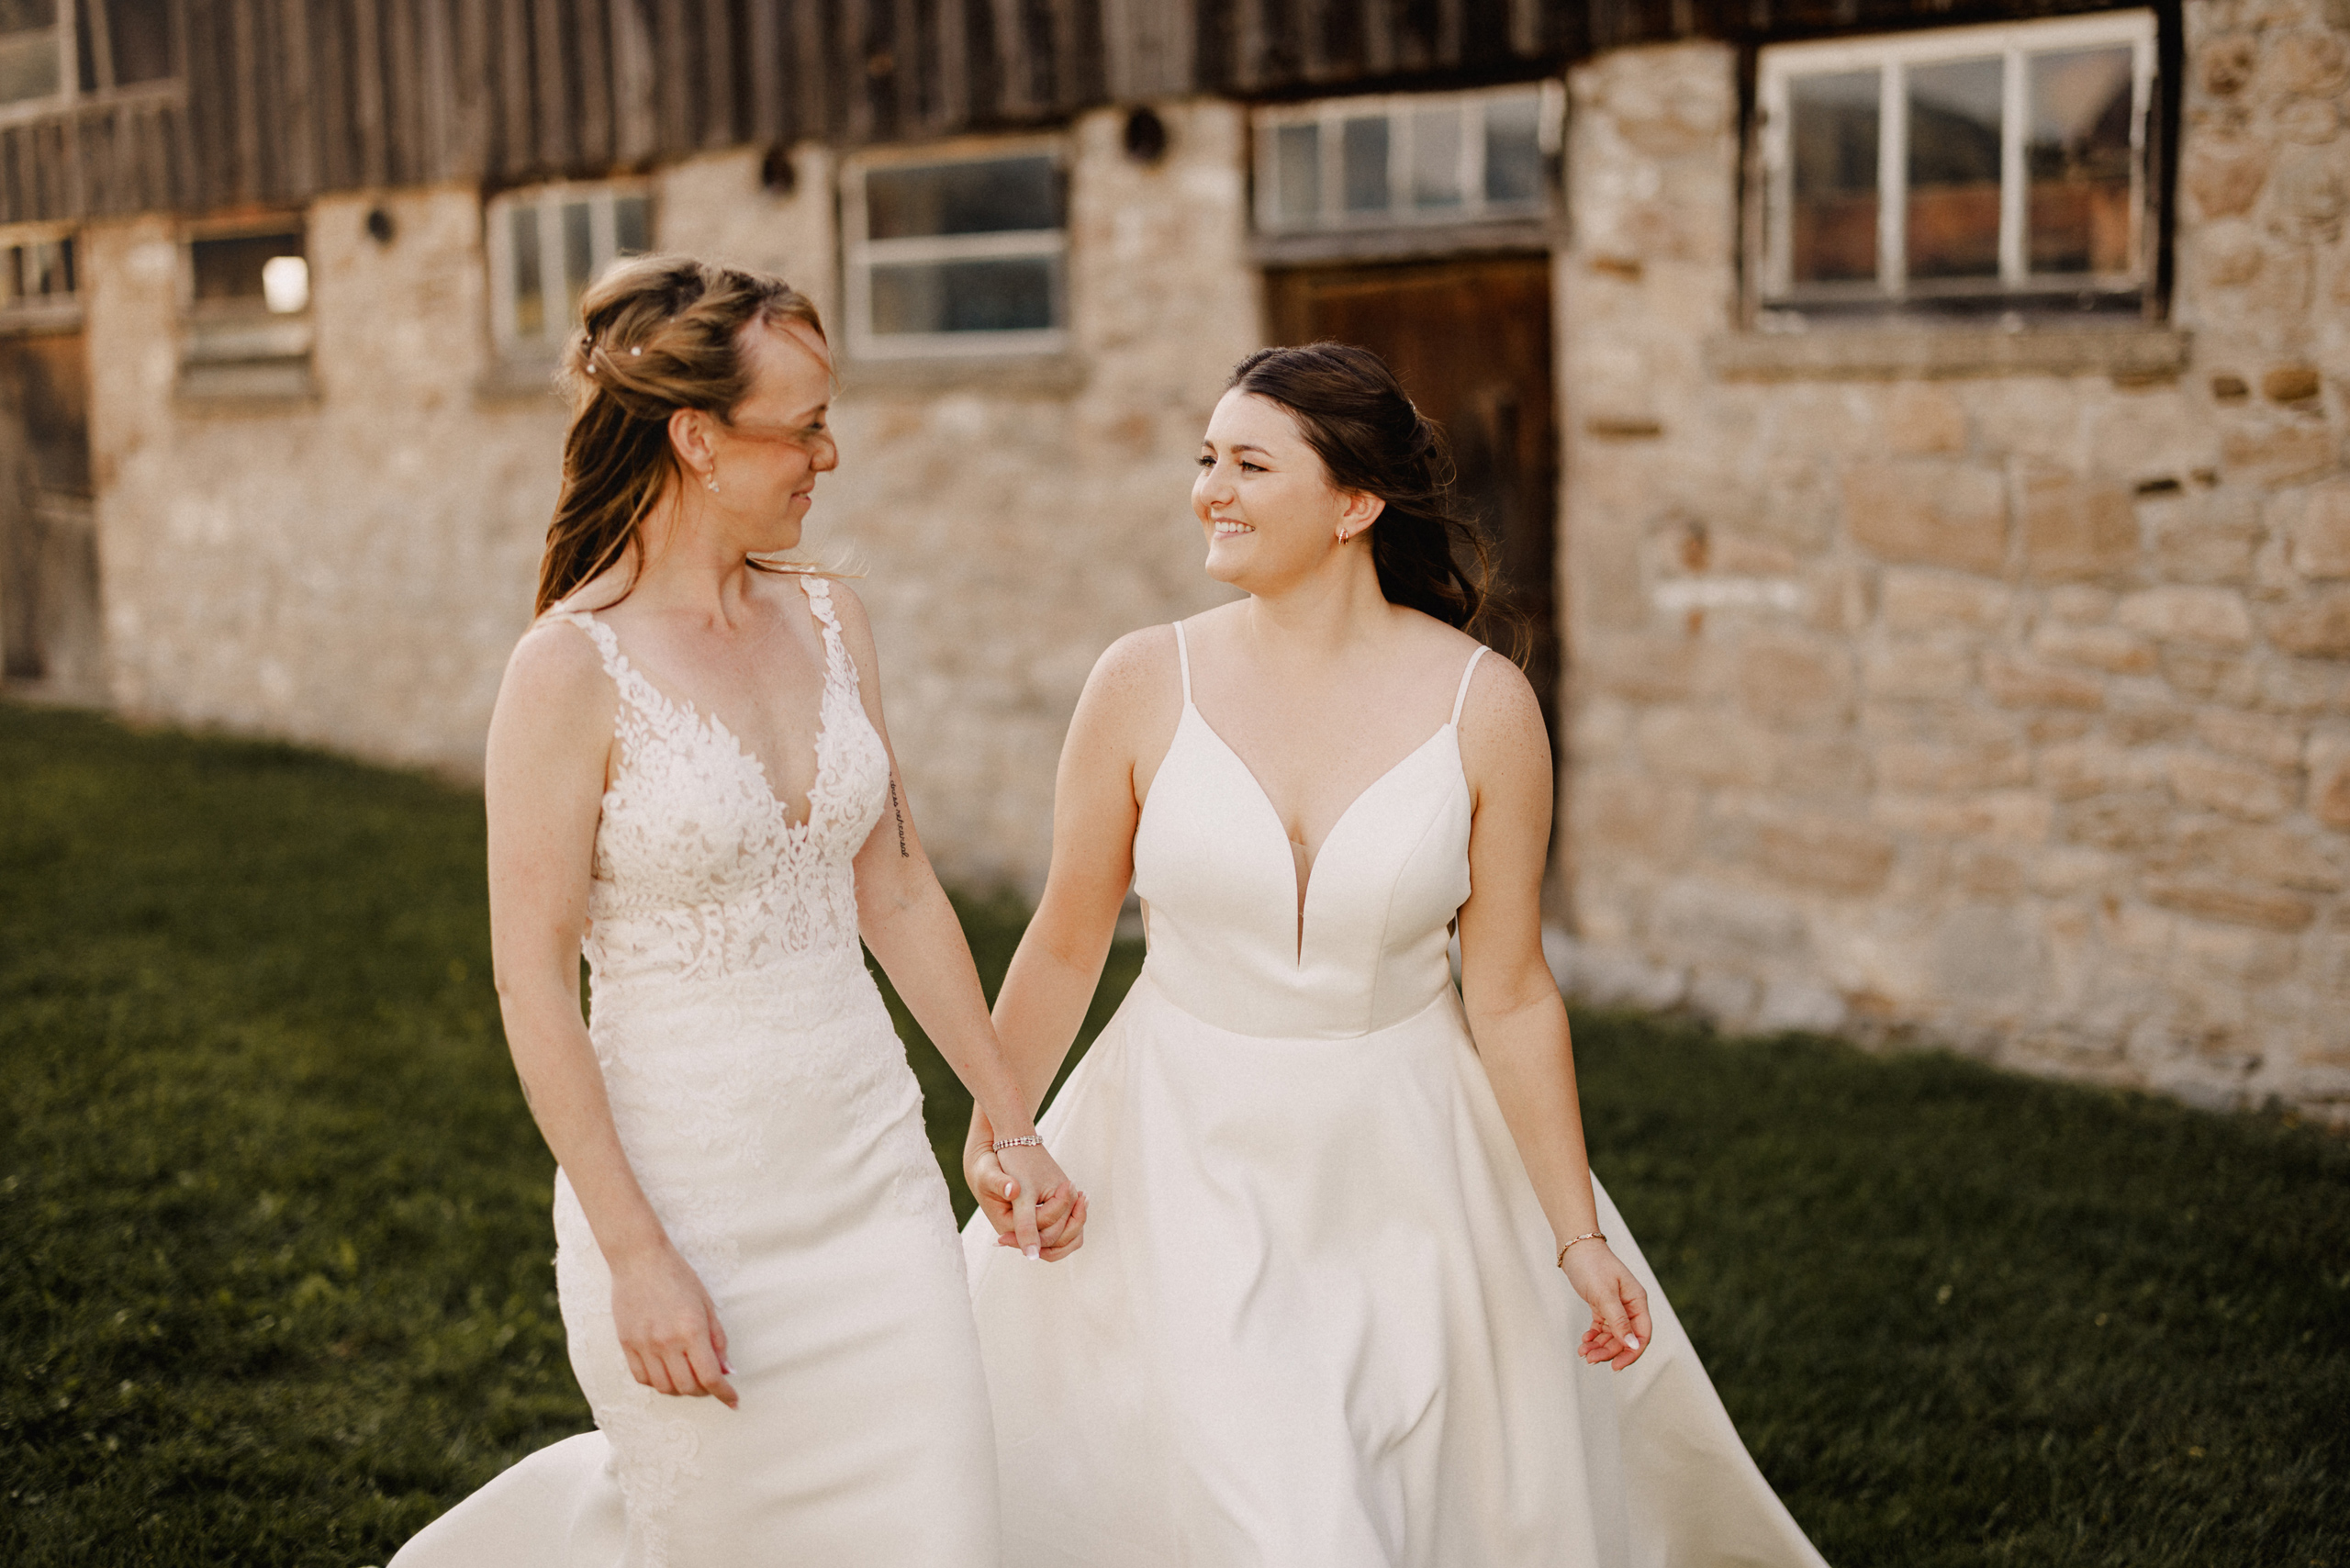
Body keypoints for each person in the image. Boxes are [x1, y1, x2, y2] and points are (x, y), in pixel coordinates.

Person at [960, 342, 1830, 1567]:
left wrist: (1575, 1233)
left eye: (1251, 464)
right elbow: (1063, 936)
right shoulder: (1143, 680)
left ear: (1355, 503)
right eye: (1207, 459)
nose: (1210, 487)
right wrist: (1004, 1117)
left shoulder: (1485, 706)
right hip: (1175, 1146)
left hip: (1403, 1168)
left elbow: (1515, 992)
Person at [391, 256, 1082, 1568]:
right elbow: (530, 983)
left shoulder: (831, 616)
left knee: (943, 1536)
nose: (829, 453)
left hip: (872, 1189)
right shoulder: (566, 668)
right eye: (803, 425)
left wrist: (1007, 1112)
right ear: (697, 440)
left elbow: (896, 884)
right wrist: (636, 1253)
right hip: (688, 1210)